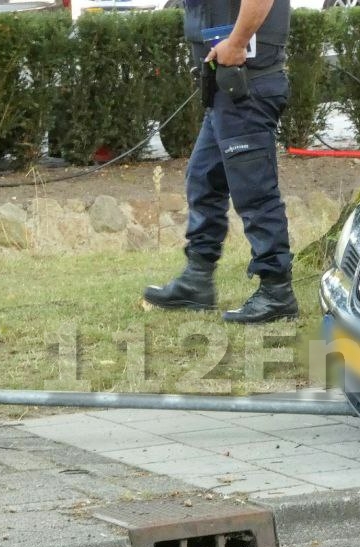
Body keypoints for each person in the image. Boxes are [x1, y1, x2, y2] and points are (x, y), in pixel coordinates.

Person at [144, 0, 298, 324]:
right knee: (203, 179)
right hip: (227, 85)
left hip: (247, 83)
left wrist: (237, 42)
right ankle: (197, 281)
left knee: (254, 192)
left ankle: (276, 291)